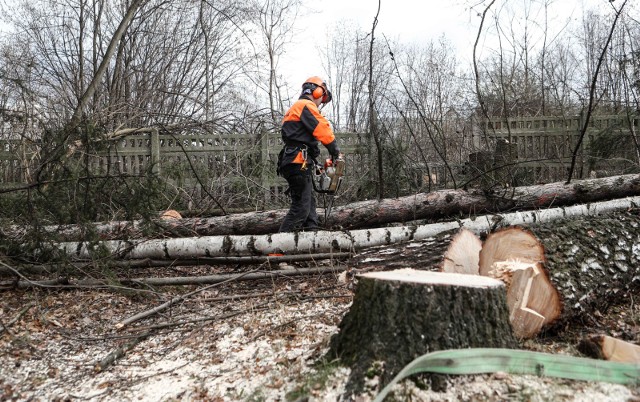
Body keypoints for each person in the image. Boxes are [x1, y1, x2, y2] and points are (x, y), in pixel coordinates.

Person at [277, 76, 342, 232]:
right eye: (322, 98)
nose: (321, 103)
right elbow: (322, 129)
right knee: (301, 208)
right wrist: (335, 151)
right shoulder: (305, 105)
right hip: (298, 160)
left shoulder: (296, 107)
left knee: (309, 204)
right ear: (317, 92)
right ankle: (276, 249)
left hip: (295, 159)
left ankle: (312, 239)